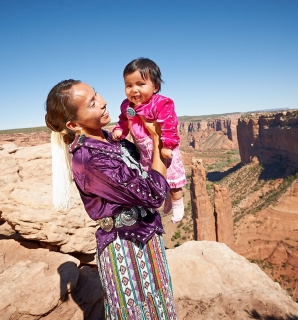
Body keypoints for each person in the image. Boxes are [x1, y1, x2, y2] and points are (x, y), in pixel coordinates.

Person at [45, 79, 177, 319]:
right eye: (92, 103)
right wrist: (159, 139)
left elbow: (145, 167)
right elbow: (154, 192)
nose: (104, 102)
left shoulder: (110, 139)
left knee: (160, 308)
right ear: (73, 124)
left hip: (147, 239)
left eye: (97, 95)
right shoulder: (89, 158)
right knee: (137, 312)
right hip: (125, 248)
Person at [112, 58, 186, 223]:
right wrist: (119, 130)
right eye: (129, 85)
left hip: (163, 149)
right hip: (145, 152)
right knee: (153, 181)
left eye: (140, 84)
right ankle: (163, 199)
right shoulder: (126, 105)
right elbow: (124, 121)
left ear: (155, 87)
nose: (134, 90)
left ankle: (177, 204)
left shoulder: (161, 103)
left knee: (173, 183)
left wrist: (167, 146)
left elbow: (169, 125)